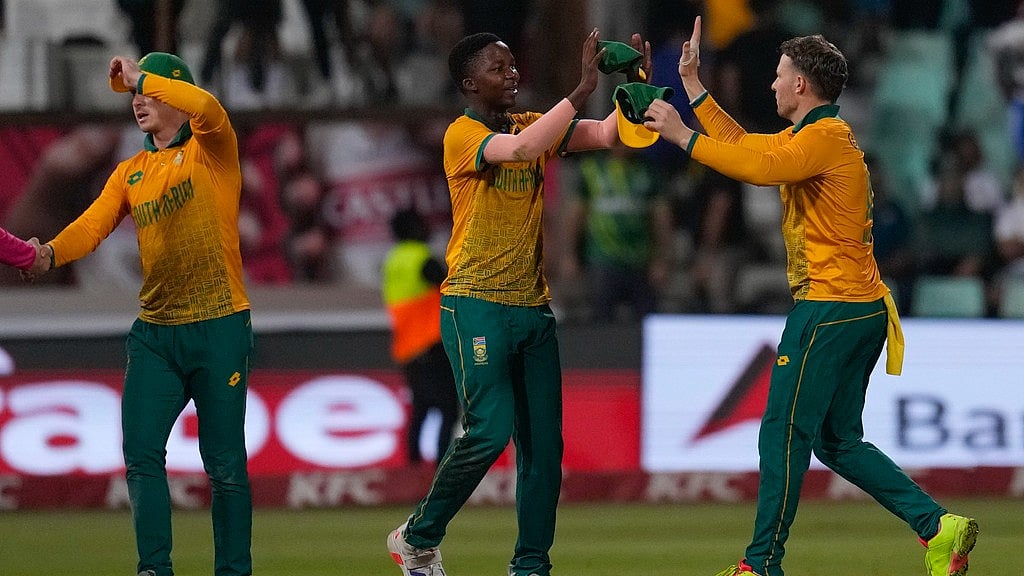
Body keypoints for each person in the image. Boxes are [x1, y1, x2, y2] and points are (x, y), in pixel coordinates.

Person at [643, 16, 979, 576]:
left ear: (801, 84)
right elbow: (749, 146)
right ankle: (937, 527)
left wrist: (681, 135)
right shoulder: (820, 137)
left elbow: (756, 166)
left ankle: (761, 565)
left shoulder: (821, 140)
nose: (771, 85)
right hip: (860, 309)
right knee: (837, 441)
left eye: (778, 76)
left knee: (781, 433)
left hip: (829, 310)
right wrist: (695, 89)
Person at [386, 28, 652, 576]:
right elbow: (524, 151)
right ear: (468, 83)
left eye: (512, 65)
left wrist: (634, 85)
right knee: (488, 431)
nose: (512, 74)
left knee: (543, 451)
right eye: (497, 67)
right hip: (475, 302)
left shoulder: (531, 122)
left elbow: (608, 137)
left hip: (532, 309)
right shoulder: (461, 135)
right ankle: (416, 536)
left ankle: (530, 566)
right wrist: (580, 89)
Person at [28, 52, 254, 576]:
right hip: (155, 335)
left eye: (150, 93)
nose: (138, 101)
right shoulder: (130, 173)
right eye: (134, 95)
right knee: (142, 457)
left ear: (175, 95)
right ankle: (154, 569)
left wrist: (139, 75)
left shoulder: (213, 149)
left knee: (224, 468)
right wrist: (49, 254)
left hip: (219, 325)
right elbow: (91, 225)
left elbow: (207, 105)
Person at [558, 142, 674, 322]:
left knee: (645, 323)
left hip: (639, 260)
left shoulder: (647, 169)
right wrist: (569, 255)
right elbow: (575, 215)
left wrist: (661, 260)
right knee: (600, 321)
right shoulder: (591, 168)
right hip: (602, 259)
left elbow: (661, 218)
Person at [381, 208, 459, 466]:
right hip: (431, 344)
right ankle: (441, 467)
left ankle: (412, 468)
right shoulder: (421, 258)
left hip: (406, 347)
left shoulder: (392, 261)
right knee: (448, 408)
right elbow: (451, 285)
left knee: (421, 409)